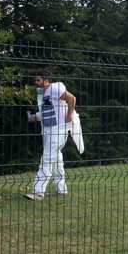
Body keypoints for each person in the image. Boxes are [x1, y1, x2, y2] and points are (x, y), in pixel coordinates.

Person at [25, 69, 76, 200]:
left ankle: (38, 192)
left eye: (38, 80)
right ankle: (61, 189)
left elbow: (72, 98)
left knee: (46, 159)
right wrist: (34, 117)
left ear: (46, 81)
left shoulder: (53, 89)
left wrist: (69, 116)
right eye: (35, 80)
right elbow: (48, 113)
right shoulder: (44, 95)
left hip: (57, 131)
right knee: (57, 160)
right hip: (50, 131)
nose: (35, 83)